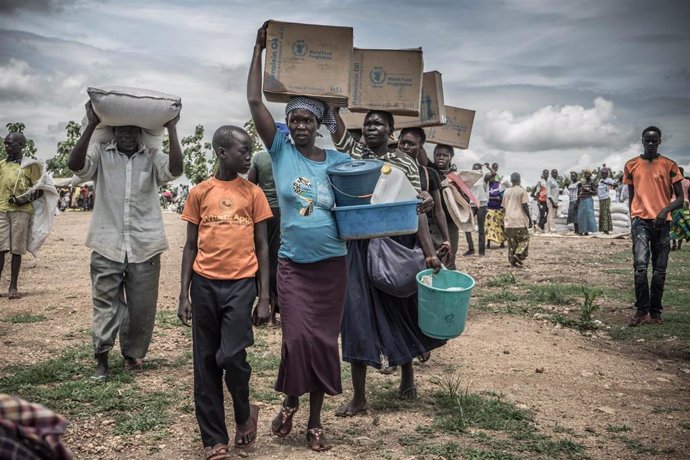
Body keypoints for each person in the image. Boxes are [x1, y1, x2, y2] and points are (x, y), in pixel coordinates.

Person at [248, 22, 352, 452]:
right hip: (293, 264)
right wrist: (257, 49)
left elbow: (367, 174)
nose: (301, 125)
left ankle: (312, 420)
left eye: (309, 118)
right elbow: (255, 100)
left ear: (320, 123)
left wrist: (334, 100)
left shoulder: (339, 159)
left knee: (324, 343)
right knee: (296, 341)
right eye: (294, 119)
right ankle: (290, 398)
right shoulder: (280, 151)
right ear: (287, 125)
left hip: (332, 266)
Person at [330, 103, 444, 417]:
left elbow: (416, 208)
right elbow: (334, 125)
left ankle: (407, 378)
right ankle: (359, 397)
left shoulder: (404, 162)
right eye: (368, 123)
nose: (371, 128)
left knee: (399, 308)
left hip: (396, 241)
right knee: (357, 316)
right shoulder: (353, 155)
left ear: (390, 132)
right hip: (360, 244)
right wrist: (330, 102)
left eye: (379, 124)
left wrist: (429, 252)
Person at [68, 102, 183, 378]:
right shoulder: (100, 153)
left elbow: (175, 170)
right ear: (114, 131)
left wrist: (172, 129)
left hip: (145, 244)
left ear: (141, 133)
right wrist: (92, 124)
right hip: (107, 242)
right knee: (104, 303)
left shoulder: (152, 155)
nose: (128, 135)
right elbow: (76, 166)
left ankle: (132, 354)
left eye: (134, 130)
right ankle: (102, 357)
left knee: (142, 307)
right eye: (123, 130)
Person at [178, 125, 272, 458]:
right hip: (204, 284)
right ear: (222, 153)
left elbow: (263, 246)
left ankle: (245, 413)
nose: (248, 156)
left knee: (231, 355)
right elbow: (190, 246)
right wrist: (183, 294)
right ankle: (214, 438)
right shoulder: (200, 192)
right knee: (205, 363)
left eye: (250, 150)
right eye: (243, 151)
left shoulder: (253, 193)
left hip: (241, 285)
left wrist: (265, 296)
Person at [624, 126, 684, 326]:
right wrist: (634, 217)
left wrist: (664, 211)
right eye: (648, 140)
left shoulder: (670, 165)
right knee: (640, 267)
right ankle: (641, 311)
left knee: (660, 270)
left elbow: (680, 199)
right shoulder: (631, 165)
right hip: (641, 222)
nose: (651, 143)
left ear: (660, 141)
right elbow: (632, 195)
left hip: (662, 223)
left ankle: (656, 312)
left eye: (655, 140)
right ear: (642, 140)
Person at [398, 128, 452, 266]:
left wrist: (446, 239)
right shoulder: (390, 170)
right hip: (397, 234)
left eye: (411, 144)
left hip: (424, 236)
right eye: (402, 142)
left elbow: (438, 210)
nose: (405, 147)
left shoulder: (429, 174)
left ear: (420, 147)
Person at [0, 132, 44, 299]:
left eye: (9, 143)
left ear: (20, 145)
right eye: (5, 143)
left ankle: (13, 286)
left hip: (21, 212)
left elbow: (39, 190)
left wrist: (22, 200)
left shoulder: (30, 167)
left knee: (16, 250)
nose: (6, 146)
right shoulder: (2, 165)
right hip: (2, 210)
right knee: (0, 249)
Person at [248, 135, 283, 328]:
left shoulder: (258, 158)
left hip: (261, 213)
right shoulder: (287, 157)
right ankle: (273, 314)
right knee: (277, 260)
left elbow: (251, 186)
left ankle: (264, 305)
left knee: (262, 257)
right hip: (282, 213)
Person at [432, 144, 461, 269]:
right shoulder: (431, 172)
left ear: (451, 158)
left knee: (450, 256)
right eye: (438, 155)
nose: (441, 158)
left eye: (445, 155)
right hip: (433, 223)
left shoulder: (456, 177)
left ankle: (448, 282)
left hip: (451, 224)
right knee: (434, 256)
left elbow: (463, 201)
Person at [503, 173, 532, 267]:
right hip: (519, 219)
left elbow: (504, 207)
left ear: (511, 180)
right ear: (519, 180)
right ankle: (519, 254)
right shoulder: (522, 191)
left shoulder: (506, 191)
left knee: (512, 243)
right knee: (524, 238)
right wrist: (529, 218)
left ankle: (512, 260)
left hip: (509, 220)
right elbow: (524, 205)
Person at [465, 163, 489, 255]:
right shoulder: (469, 179)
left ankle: (481, 251)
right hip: (471, 205)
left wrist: (488, 167)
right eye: (474, 170)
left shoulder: (484, 179)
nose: (476, 172)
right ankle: (471, 249)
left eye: (478, 170)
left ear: (481, 171)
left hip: (481, 205)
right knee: (467, 227)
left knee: (481, 228)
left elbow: (493, 174)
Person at [485, 165, 506, 249]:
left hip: (499, 209)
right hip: (489, 208)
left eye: (493, 177)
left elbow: (503, 196)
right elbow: (485, 196)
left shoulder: (499, 185)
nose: (491, 179)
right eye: (490, 177)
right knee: (489, 227)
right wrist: (494, 198)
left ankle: (502, 243)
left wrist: (499, 198)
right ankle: (488, 243)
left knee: (500, 226)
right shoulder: (486, 186)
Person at [670, 166, 690, 251]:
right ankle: (679, 246)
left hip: (673, 203)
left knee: (673, 224)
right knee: (681, 224)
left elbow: (669, 193)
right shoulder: (688, 182)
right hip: (684, 204)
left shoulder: (671, 182)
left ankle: (673, 243)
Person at [577, 169, 598, 235]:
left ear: (590, 175)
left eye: (587, 174)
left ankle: (586, 231)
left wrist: (589, 190)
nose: (586, 175)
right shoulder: (583, 182)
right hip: (582, 200)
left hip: (588, 200)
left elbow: (595, 192)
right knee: (581, 215)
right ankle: (581, 230)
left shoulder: (592, 182)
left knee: (588, 216)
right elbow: (580, 192)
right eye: (585, 174)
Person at [597, 167, 615, 234]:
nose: (603, 175)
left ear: (607, 174)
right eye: (602, 173)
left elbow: (615, 185)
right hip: (601, 199)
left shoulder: (609, 180)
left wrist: (605, 183)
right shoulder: (600, 180)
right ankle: (603, 229)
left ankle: (606, 229)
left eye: (604, 173)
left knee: (605, 213)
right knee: (602, 213)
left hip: (606, 198)